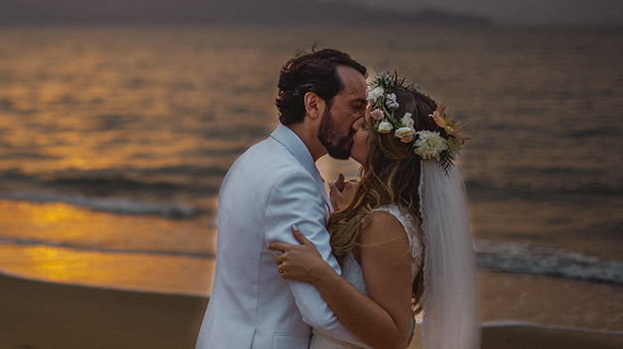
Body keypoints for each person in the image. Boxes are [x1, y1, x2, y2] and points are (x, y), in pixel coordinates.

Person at [268, 72, 481, 349]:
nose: (356, 125)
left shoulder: (384, 222)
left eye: (366, 124)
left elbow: (395, 336)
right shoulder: (380, 214)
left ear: (389, 146)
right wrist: (350, 212)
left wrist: (318, 272)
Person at [195, 48, 369, 349]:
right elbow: (322, 312)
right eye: (356, 106)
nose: (361, 120)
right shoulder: (292, 181)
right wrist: (390, 330)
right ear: (313, 104)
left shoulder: (255, 157)